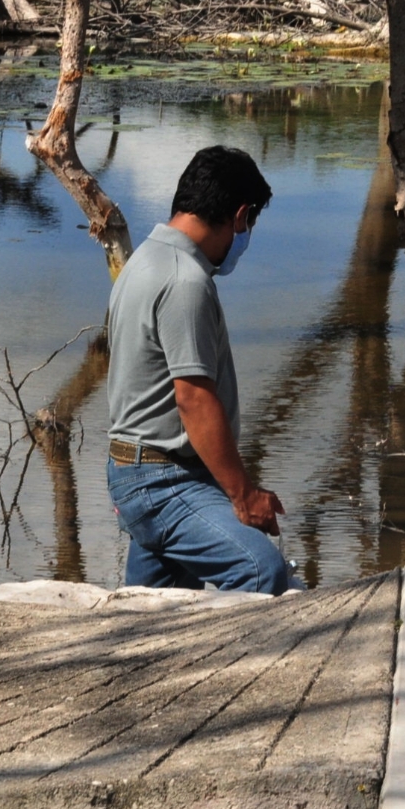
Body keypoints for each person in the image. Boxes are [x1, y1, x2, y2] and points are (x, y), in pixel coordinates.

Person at [104, 145, 294, 594]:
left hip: (142, 470)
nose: (244, 241)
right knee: (262, 569)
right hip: (162, 480)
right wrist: (243, 496)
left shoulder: (143, 261)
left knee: (151, 614)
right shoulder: (183, 281)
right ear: (240, 215)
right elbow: (192, 398)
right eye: (248, 226)